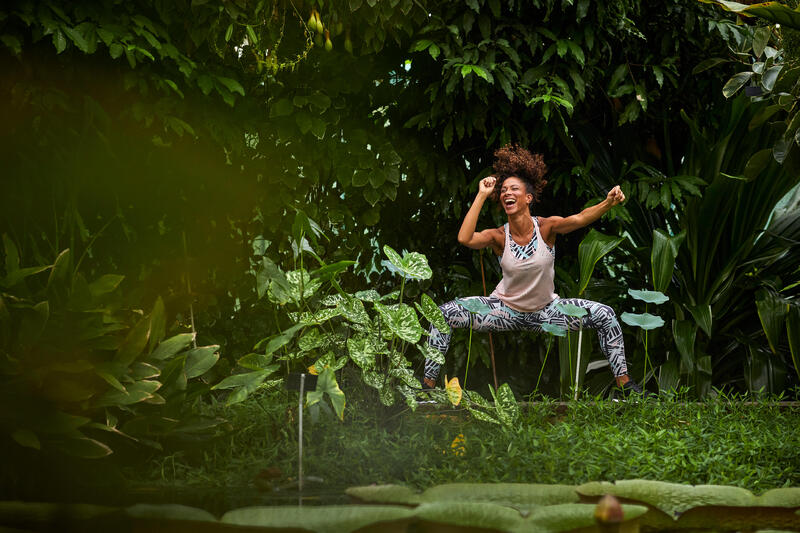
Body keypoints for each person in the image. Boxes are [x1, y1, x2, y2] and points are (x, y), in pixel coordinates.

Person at [422, 144, 646, 395]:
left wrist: (608, 203)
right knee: (442, 314)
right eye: (503, 189)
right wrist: (482, 195)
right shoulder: (498, 236)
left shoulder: (546, 228)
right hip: (504, 311)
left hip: (547, 312)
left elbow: (580, 218)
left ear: (528, 198)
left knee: (605, 314)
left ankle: (625, 385)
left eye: (514, 189)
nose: (507, 192)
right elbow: (465, 238)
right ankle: (426, 388)